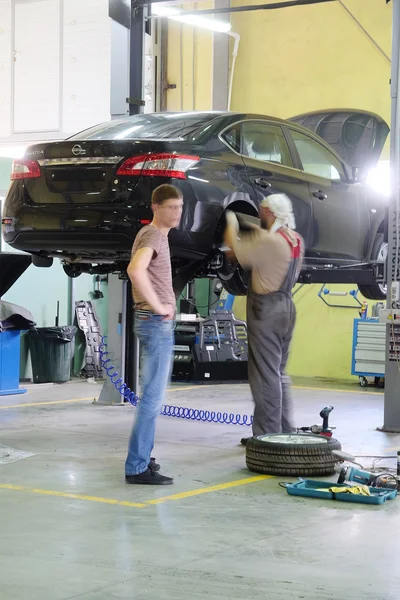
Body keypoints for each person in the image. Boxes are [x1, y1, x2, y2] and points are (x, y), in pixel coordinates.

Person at [223, 194, 304, 443]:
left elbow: (231, 253)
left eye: (261, 211)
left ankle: (267, 437)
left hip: (265, 310)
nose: (259, 215)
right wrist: (257, 233)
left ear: (269, 212)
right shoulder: (294, 239)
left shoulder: (270, 241)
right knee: (277, 373)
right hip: (286, 307)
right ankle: (284, 431)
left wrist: (230, 221)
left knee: (264, 376)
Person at [124, 183, 183, 485]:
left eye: (180, 207)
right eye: (171, 207)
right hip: (155, 322)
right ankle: (136, 466)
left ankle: (143, 456)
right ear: (155, 207)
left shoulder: (158, 236)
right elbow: (136, 270)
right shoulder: (152, 235)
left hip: (152, 321)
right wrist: (160, 306)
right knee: (152, 399)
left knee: (152, 397)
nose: (177, 213)